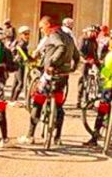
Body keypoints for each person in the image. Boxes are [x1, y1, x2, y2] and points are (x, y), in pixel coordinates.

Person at [19, 16, 79, 146]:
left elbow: (61, 47)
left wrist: (51, 62)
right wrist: (73, 67)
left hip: (51, 74)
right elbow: (76, 55)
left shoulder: (54, 35)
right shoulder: (68, 37)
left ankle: (30, 135)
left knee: (38, 100)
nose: (41, 30)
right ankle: (57, 137)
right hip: (63, 75)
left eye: (41, 27)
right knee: (59, 105)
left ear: (48, 25)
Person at [76, 25, 101, 108]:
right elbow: (80, 52)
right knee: (83, 80)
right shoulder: (83, 39)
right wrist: (86, 59)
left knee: (94, 80)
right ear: (88, 32)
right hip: (83, 62)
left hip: (91, 62)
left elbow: (95, 53)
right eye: (93, 32)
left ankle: (90, 99)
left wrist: (98, 62)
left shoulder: (94, 41)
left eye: (96, 33)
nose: (94, 34)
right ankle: (79, 100)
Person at [9, 26, 32, 102]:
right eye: (25, 34)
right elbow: (20, 50)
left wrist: (31, 58)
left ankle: (11, 100)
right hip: (19, 64)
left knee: (15, 82)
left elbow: (25, 53)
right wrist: (26, 58)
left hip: (18, 63)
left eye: (28, 34)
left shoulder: (24, 42)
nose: (27, 36)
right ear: (21, 35)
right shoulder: (22, 43)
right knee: (21, 83)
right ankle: (14, 100)